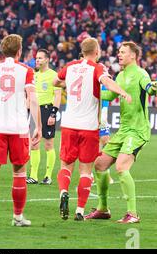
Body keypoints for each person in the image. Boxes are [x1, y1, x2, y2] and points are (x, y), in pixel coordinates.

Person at [86, 41, 157, 223]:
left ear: (133, 56)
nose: (119, 55)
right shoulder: (120, 76)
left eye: (123, 52)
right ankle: (103, 209)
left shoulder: (141, 73)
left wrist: (154, 87)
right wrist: (90, 90)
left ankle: (133, 214)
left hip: (138, 131)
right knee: (99, 165)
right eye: (119, 52)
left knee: (121, 167)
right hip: (123, 130)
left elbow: (148, 87)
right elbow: (109, 95)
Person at [53, 37, 131, 221]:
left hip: (69, 124)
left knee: (66, 165)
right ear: (97, 52)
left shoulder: (70, 66)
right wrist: (122, 92)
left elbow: (56, 82)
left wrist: (67, 83)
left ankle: (63, 191)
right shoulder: (97, 68)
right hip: (88, 127)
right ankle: (80, 210)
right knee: (86, 170)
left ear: (81, 51)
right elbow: (107, 82)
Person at [0, 34, 42, 229]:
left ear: (2, 50)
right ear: (19, 51)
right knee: (20, 173)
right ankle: (17, 217)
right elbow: (33, 99)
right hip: (19, 128)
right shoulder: (26, 70)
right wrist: (37, 126)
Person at [26, 49, 61, 185]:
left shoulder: (54, 75)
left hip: (47, 110)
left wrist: (53, 113)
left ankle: (48, 175)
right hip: (34, 111)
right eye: (36, 58)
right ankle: (33, 176)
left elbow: (58, 95)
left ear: (47, 59)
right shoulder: (33, 75)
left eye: (40, 58)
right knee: (34, 143)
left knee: (48, 144)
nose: (37, 60)